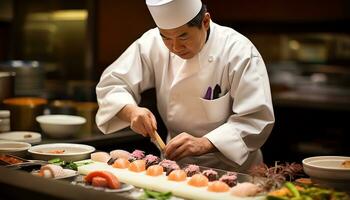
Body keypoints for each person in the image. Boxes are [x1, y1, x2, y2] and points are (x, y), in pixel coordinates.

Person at [95, 0, 275, 172]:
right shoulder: (152, 43)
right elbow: (112, 83)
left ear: (205, 21)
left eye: (183, 36)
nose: (175, 47)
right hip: (174, 166)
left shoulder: (238, 51)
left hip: (235, 170)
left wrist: (205, 143)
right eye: (166, 37)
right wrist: (131, 111)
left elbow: (256, 118)